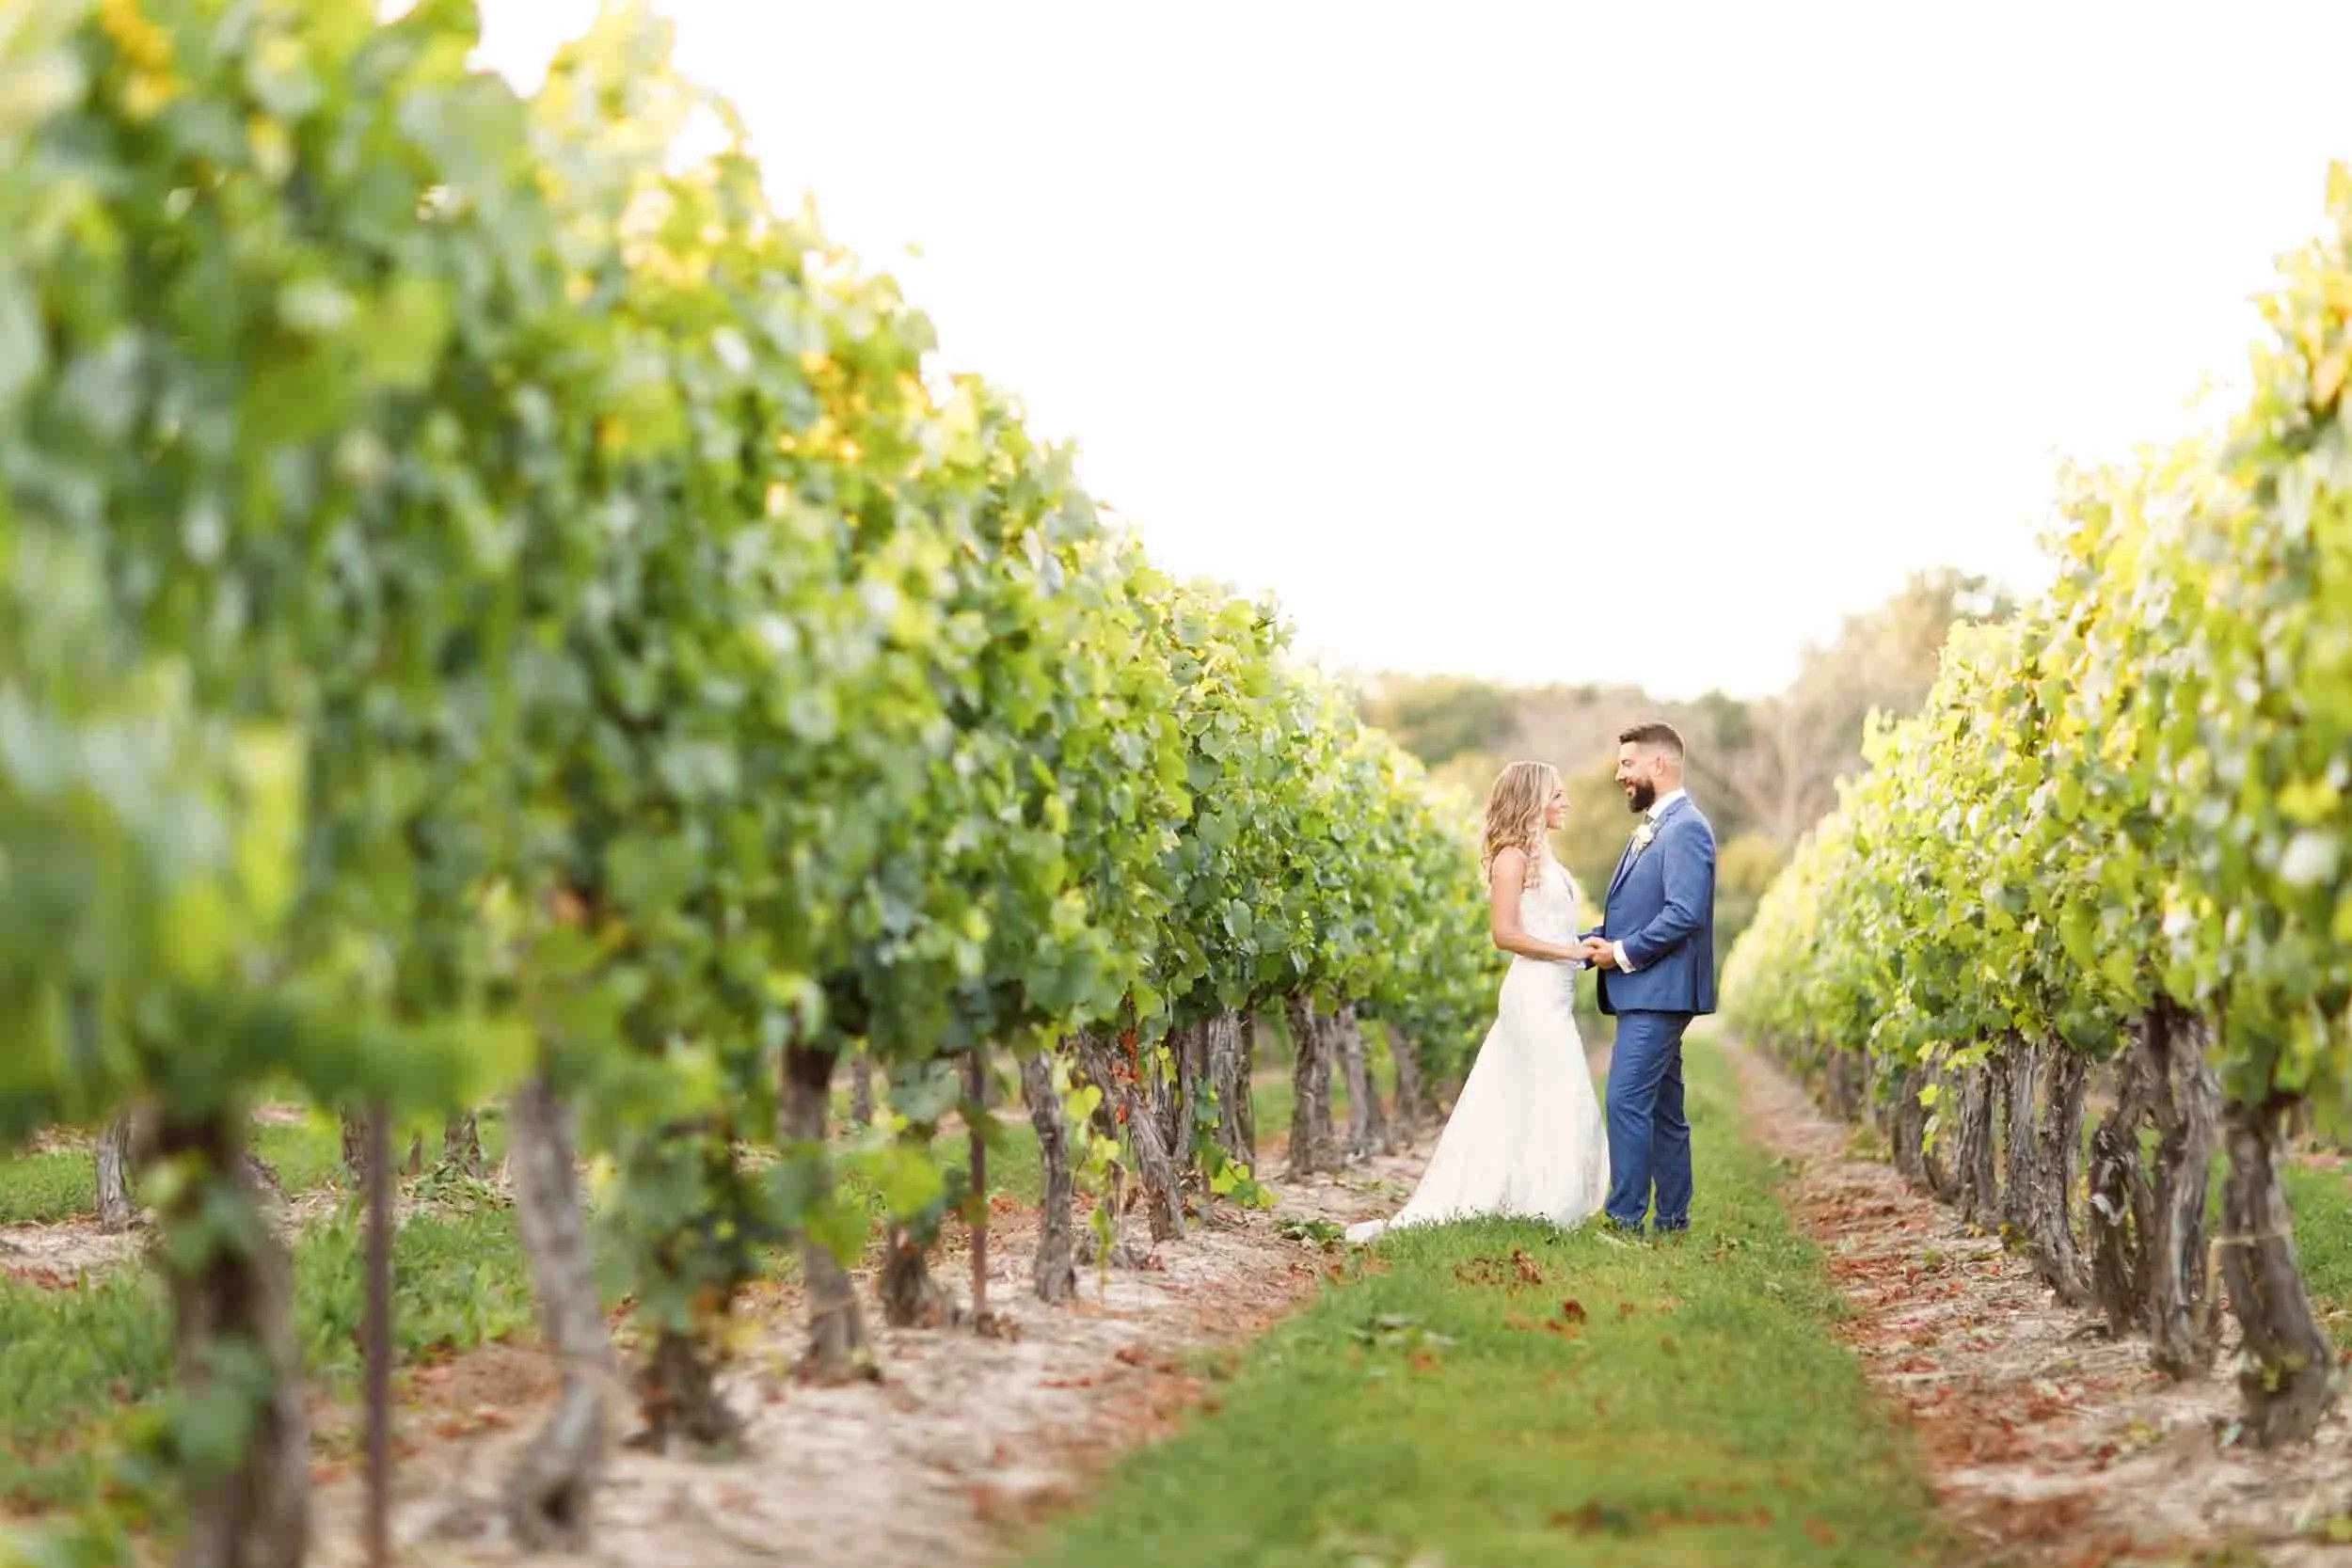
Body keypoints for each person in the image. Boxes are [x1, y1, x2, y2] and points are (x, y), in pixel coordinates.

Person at [1344, 761, 1609, 1244]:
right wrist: (1571, 951)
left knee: (1540, 1094)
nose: (1566, 803)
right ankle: (1549, 1212)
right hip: (1531, 995)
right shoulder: (1511, 858)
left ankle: (1542, 1206)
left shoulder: (1545, 858)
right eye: (1557, 795)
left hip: (1555, 993)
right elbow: (1505, 934)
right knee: (1560, 1091)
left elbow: (1551, 927)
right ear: (1532, 801)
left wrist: (1585, 947)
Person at [1581, 721, 1718, 1239]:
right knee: (1662, 1108)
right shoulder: (1659, 825)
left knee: (1625, 1101)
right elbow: (1642, 911)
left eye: (1627, 764)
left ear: (1658, 764)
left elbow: (1685, 913)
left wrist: (1621, 953)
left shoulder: (1686, 827)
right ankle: (1672, 1220)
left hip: (1659, 991)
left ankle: (1624, 1219)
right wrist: (1594, 942)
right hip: (1647, 987)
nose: (1620, 775)